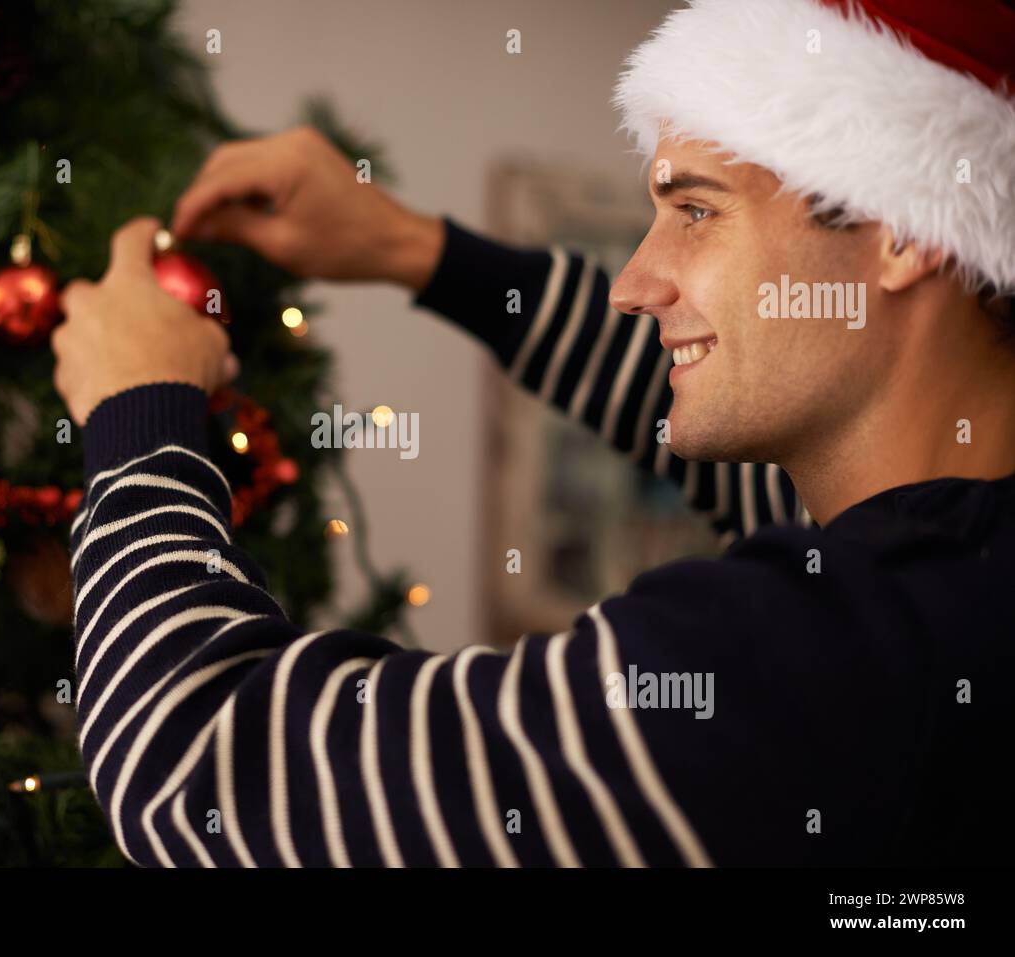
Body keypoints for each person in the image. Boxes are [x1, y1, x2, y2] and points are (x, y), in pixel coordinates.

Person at [50, 0, 1015, 867]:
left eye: (694, 210)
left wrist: (139, 407)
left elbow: (199, 765)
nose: (634, 283)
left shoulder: (821, 660)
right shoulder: (952, 576)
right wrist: (408, 249)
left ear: (904, 230)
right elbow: (706, 388)